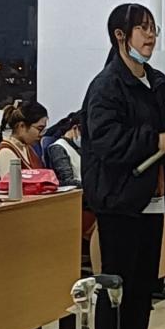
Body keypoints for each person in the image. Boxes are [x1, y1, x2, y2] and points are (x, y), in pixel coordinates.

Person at [81, 3, 165, 329]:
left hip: (153, 197)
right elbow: (106, 141)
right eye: (143, 29)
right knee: (117, 286)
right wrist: (154, 140)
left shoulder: (158, 83)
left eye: (153, 28)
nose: (151, 36)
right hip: (119, 199)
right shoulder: (107, 86)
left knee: (143, 285)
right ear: (120, 36)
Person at [44, 110, 97, 276]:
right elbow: (66, 181)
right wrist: (94, 185)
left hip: (89, 198)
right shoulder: (58, 148)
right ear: (75, 129)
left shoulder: (82, 149)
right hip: (78, 203)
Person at [0, 100, 47, 187]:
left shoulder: (28, 148)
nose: (41, 134)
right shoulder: (6, 152)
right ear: (22, 126)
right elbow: (13, 189)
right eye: (39, 129)